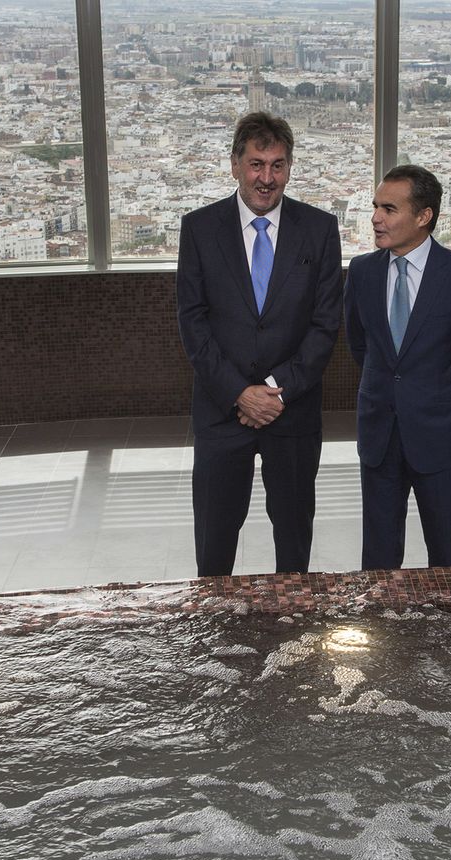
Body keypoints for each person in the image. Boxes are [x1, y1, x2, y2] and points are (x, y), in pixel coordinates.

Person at [177, 112, 342, 577]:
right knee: (214, 544)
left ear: (290, 167)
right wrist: (239, 392)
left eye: (277, 165)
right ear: (234, 165)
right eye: (256, 164)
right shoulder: (199, 229)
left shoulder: (320, 229)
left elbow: (325, 325)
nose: (266, 178)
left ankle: (295, 638)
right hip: (221, 413)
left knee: (293, 540)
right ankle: (213, 632)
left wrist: (271, 390)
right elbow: (193, 324)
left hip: (292, 414)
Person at [345, 164, 451, 570]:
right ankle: (379, 629)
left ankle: (449, 630)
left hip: (443, 436)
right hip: (380, 433)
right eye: (375, 207)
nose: (376, 218)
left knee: (446, 553)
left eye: (389, 209)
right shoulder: (361, 273)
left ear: (423, 216)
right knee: (378, 556)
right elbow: (361, 345)